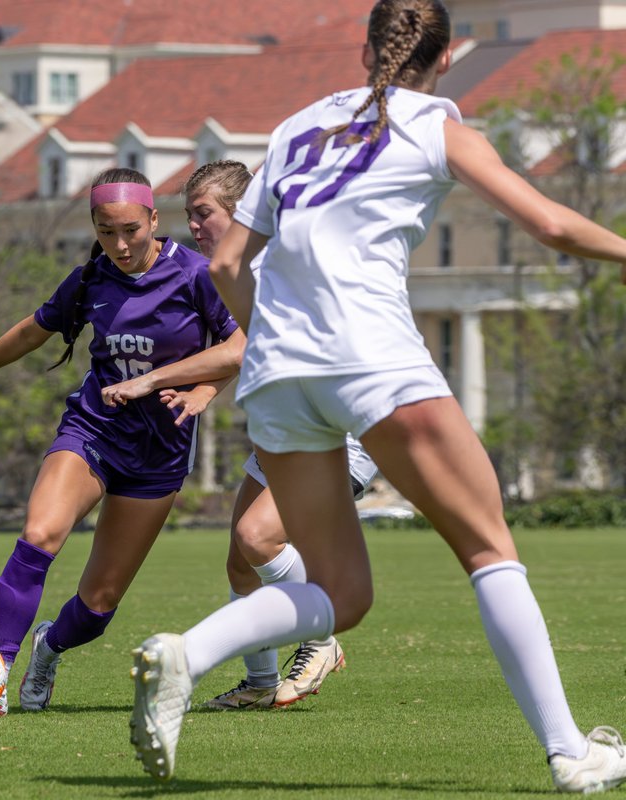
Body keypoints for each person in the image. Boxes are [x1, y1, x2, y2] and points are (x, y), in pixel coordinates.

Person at [129, 1, 626, 791]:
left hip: (281, 375)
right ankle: (571, 752)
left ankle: (189, 653)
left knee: (341, 593)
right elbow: (553, 227)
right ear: (449, 55)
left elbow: (226, 266)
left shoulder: (294, 127)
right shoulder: (440, 125)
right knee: (489, 548)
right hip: (373, 358)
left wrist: (274, 341)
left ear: (365, 50)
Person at [0, 167, 245, 715]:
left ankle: (49, 647)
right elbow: (32, 329)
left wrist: (183, 386)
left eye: (129, 231)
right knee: (40, 534)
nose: (118, 244)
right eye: (104, 230)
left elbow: (240, 346)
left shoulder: (198, 275)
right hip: (93, 430)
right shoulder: (91, 278)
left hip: (158, 454)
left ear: (153, 221)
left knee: (98, 604)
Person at [102, 160, 379, 710]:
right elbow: (257, 346)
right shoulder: (233, 276)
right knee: (239, 560)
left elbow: (251, 346)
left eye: (204, 214)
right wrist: (207, 391)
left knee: (258, 538)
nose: (194, 228)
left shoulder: (277, 262)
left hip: (336, 427)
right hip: (285, 430)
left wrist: (154, 380)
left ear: (243, 214)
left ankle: (322, 636)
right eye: (189, 216)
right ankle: (260, 683)